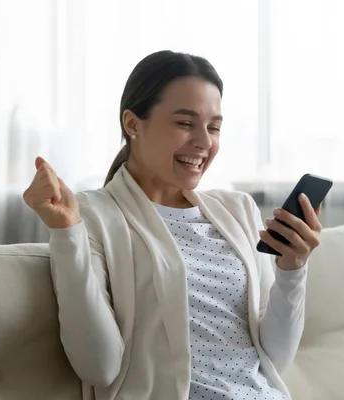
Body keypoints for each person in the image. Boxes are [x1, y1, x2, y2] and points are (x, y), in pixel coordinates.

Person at [23, 50, 323, 400]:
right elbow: (98, 366)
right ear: (133, 124)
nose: (204, 142)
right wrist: (67, 234)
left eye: (214, 127)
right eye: (185, 123)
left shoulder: (238, 209)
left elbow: (275, 359)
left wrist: (292, 271)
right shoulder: (92, 214)